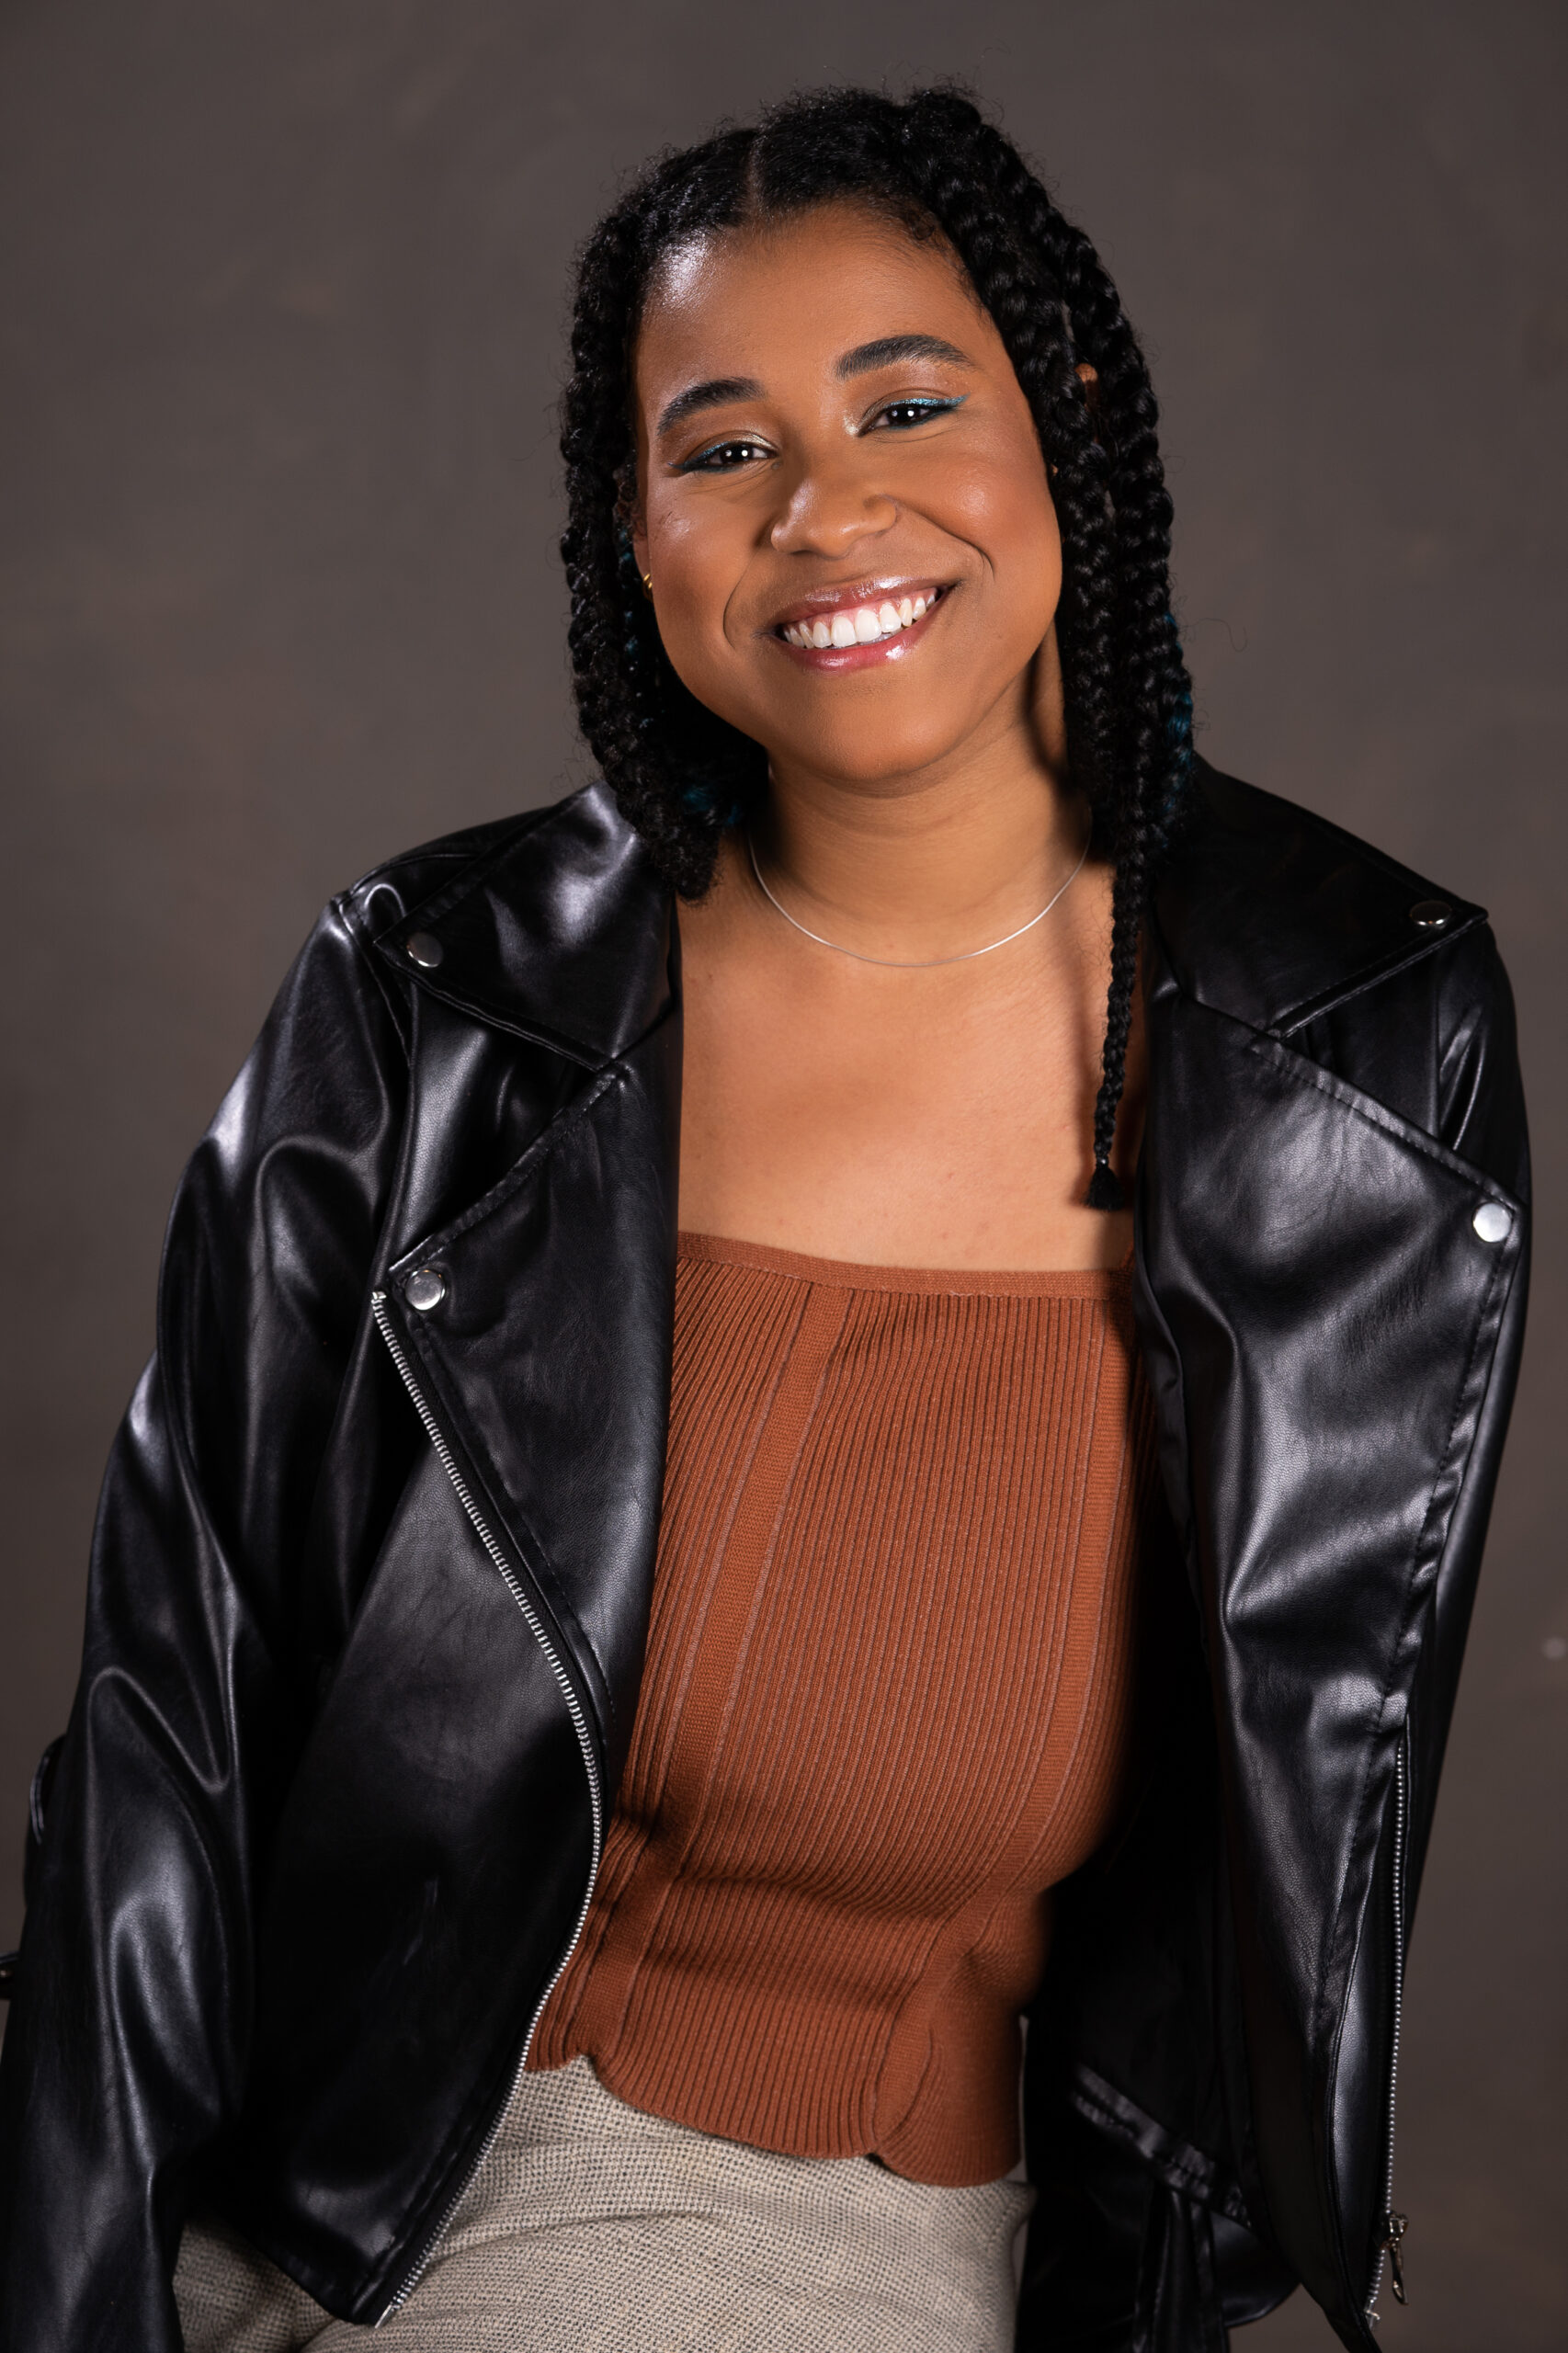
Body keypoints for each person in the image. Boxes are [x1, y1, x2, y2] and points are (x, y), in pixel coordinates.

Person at [0, 85, 1528, 2353]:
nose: (824, 510)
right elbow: (167, 1730)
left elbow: (1311, 1822)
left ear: (1064, 415)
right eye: (722, 449)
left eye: (905, 404)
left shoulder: (1357, 1040)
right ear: (632, 531)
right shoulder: (439, 994)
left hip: (784, 2215)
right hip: (261, 2164)